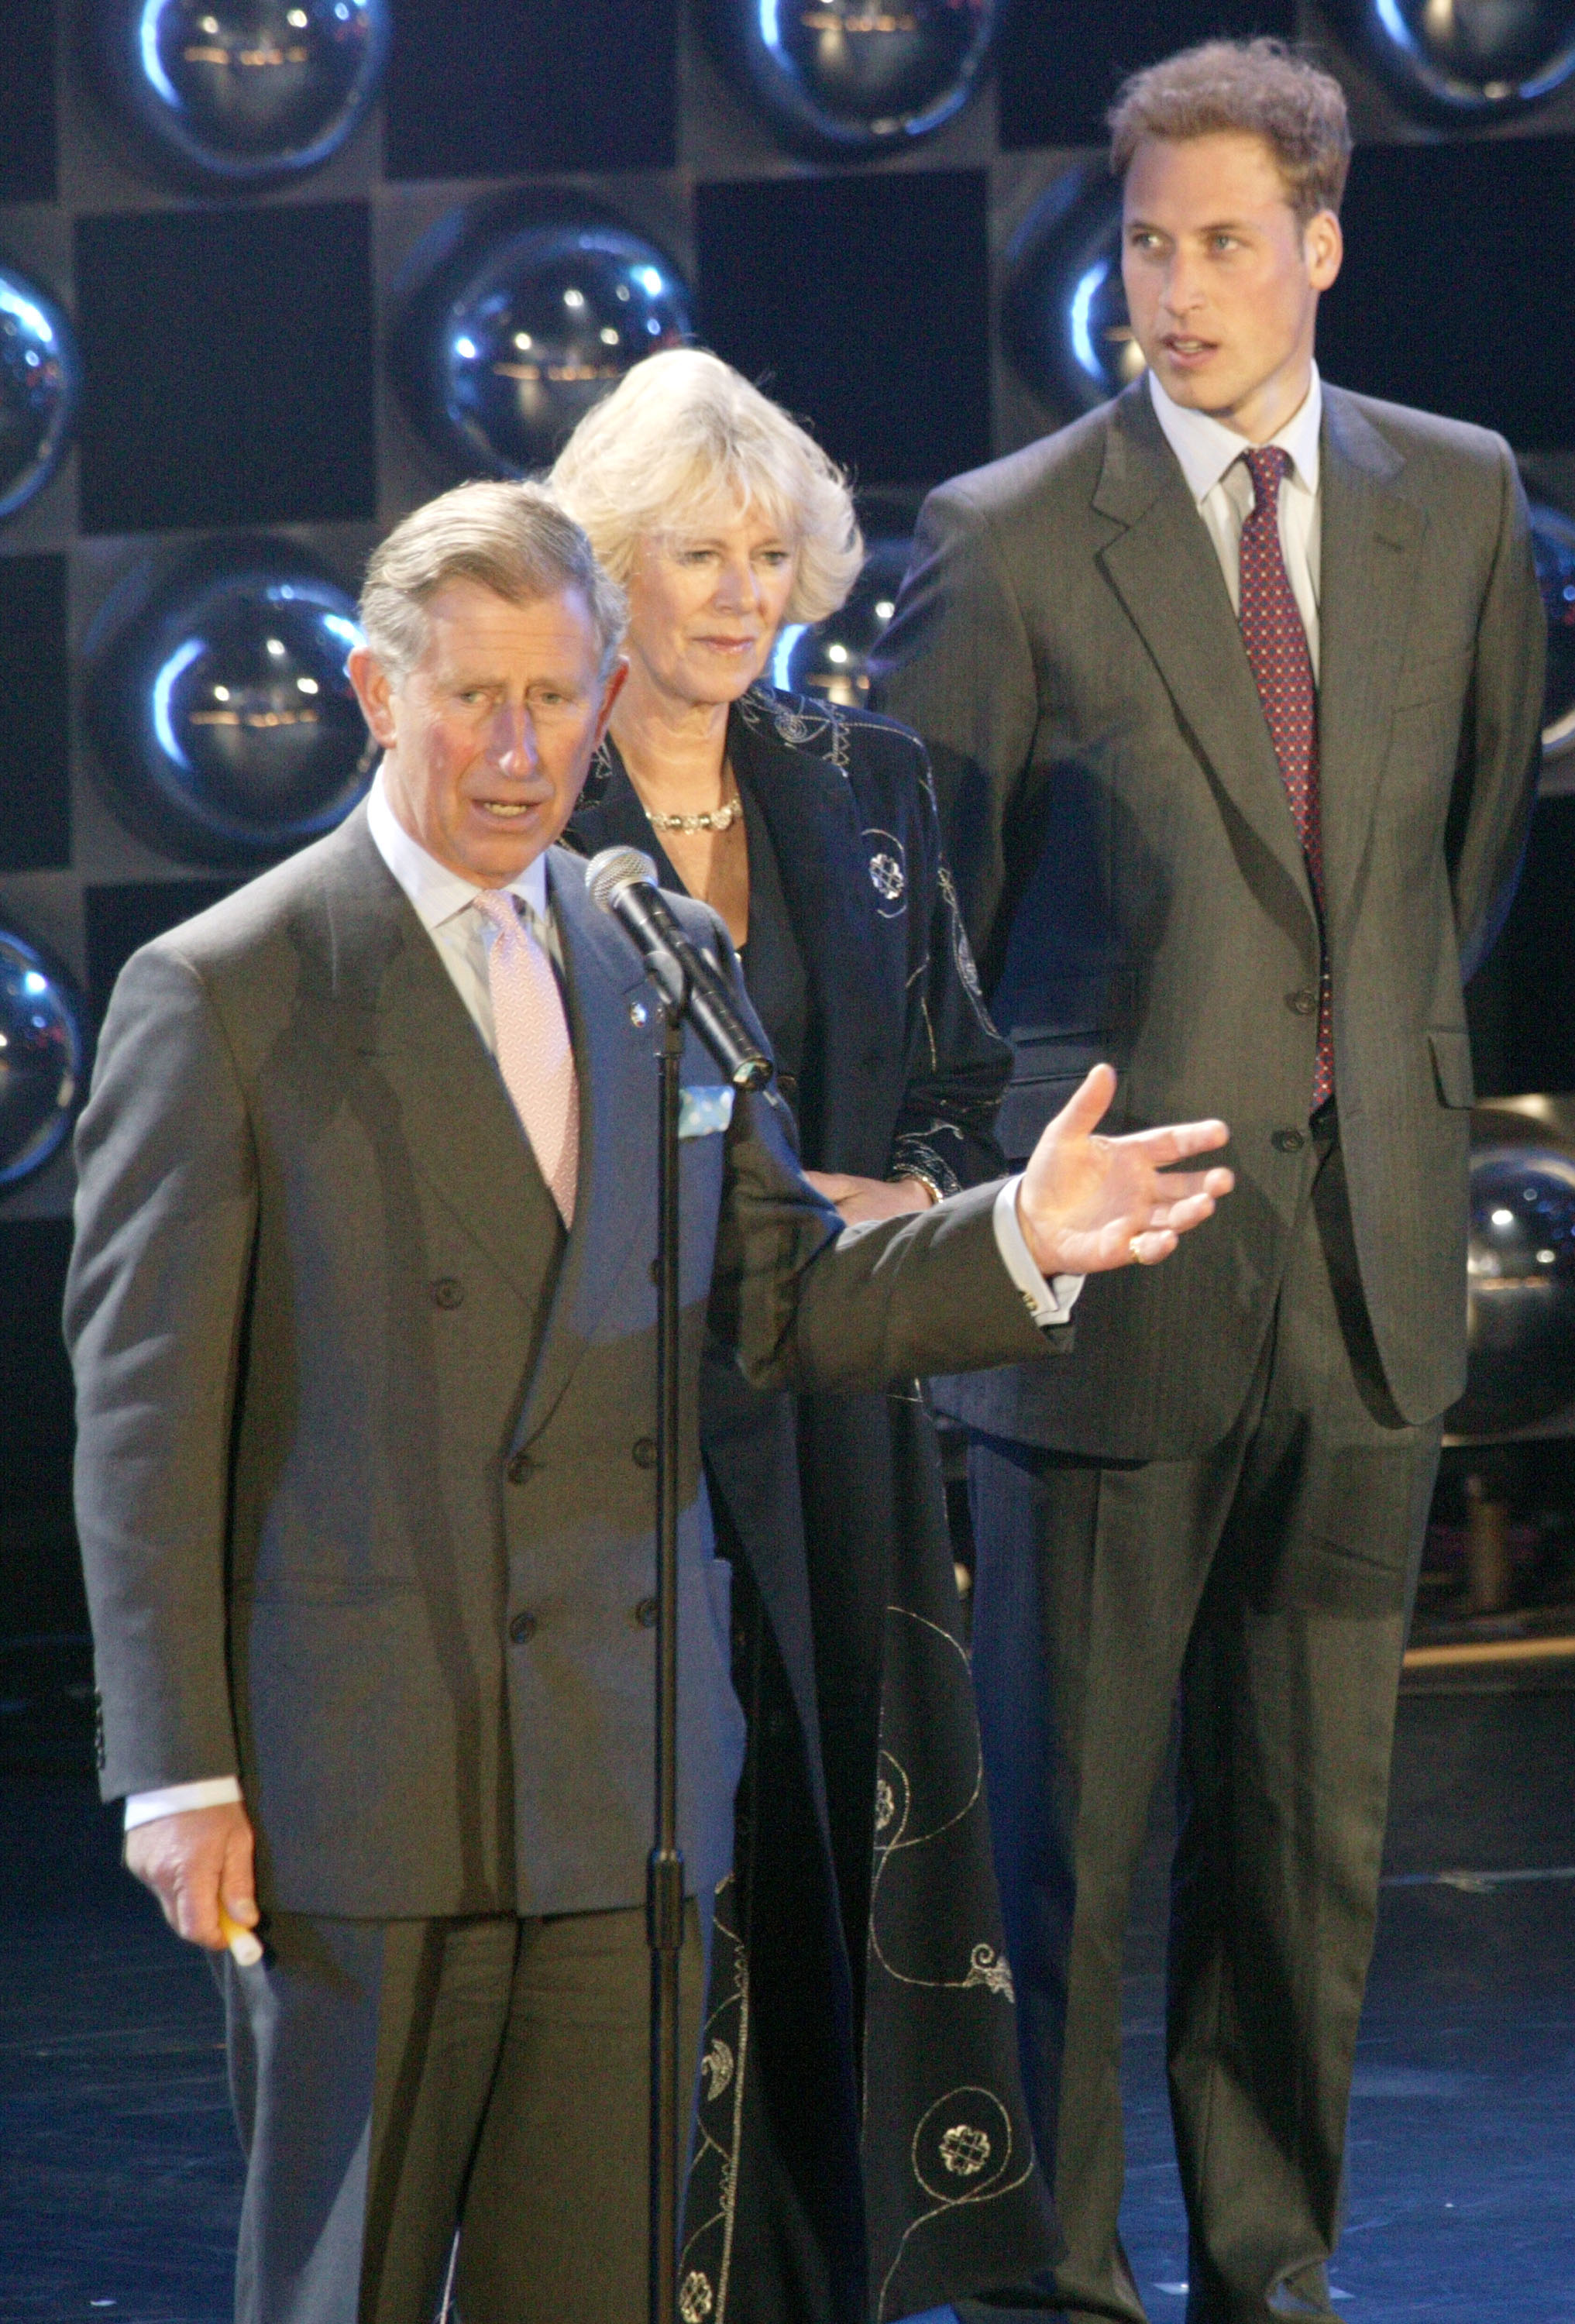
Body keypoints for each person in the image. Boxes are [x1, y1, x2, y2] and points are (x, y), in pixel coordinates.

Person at [66, 478, 1235, 2324]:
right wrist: (181, 1774)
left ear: (608, 704)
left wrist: (1021, 1235)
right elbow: (142, 1434)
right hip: (365, 1780)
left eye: (554, 699)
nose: (517, 749)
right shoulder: (227, 987)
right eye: (472, 698)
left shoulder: (651, 963)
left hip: (629, 1774)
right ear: (380, 695)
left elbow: (779, 1297)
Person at [872, 38, 1543, 2324]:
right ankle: (1052, 2282)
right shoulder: (1004, 537)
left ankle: (1272, 2268)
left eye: (1223, 242)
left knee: (1307, 1851)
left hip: (1362, 1282)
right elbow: (924, 936)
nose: (1175, 288)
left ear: (1320, 246)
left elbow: (1459, 864)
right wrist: (1000, 1243)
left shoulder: (1456, 501)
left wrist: (1349, 1083)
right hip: (1103, 1300)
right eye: (1146, 245)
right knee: (1064, 1846)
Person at [552, 347, 1044, 2322]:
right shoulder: (528, 785)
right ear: (610, 569)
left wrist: (904, 1202)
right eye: (696, 552)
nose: (743, 590)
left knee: (839, 1865)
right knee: (678, 1885)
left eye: (771, 550)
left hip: (840, 1415)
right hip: (614, 1430)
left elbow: (958, 1082)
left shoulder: (869, 781)